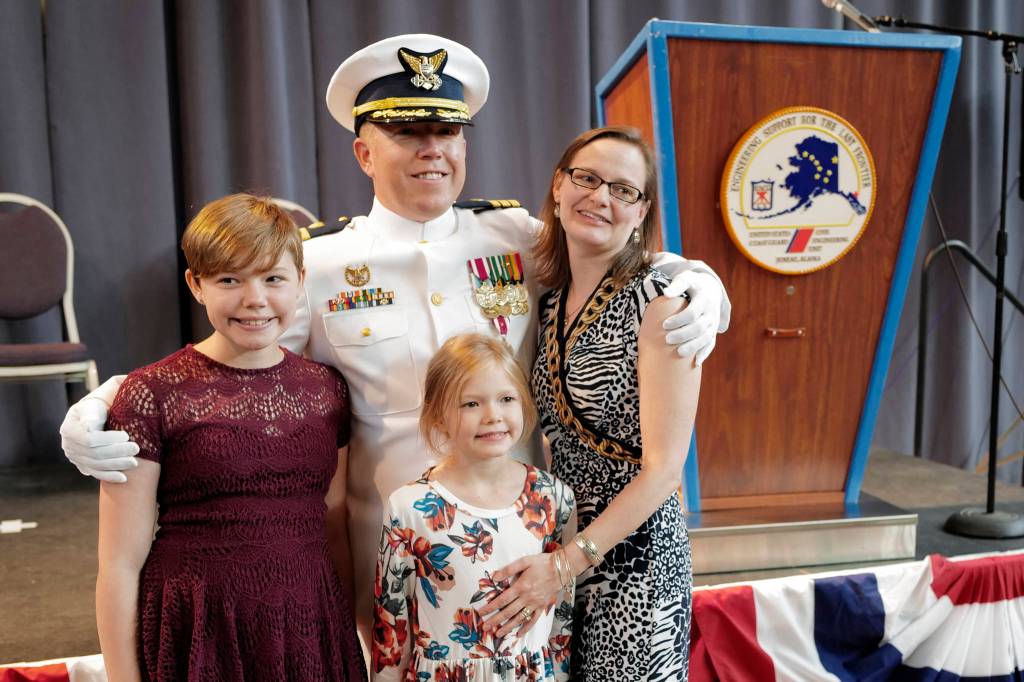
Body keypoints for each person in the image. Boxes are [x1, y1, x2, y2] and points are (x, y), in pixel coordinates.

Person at [63, 34, 729, 638]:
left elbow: (613, 256)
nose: (432, 148)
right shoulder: (316, 264)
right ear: (363, 150)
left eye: (447, 130)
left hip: (521, 548)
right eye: (408, 131)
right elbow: (232, 359)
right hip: (393, 556)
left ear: (465, 144)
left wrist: (700, 279)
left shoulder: (514, 237)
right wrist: (111, 397)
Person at [95, 194, 365, 681]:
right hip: (200, 625)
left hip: (307, 620)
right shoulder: (151, 393)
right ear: (196, 285)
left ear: (301, 282)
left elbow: (336, 524)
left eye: (273, 278)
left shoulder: (327, 390)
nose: (255, 299)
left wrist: (346, 641)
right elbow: (118, 564)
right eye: (229, 280)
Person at [476, 127, 702, 680]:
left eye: (623, 190)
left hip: (634, 558)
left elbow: (665, 468)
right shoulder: (549, 300)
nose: (600, 197)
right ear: (558, 186)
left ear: (642, 210)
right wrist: (560, 557)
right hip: (561, 543)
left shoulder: (663, 303)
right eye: (587, 178)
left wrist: (568, 562)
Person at [372, 333, 574, 681]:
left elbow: (563, 621)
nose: (493, 415)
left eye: (506, 398)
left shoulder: (553, 498)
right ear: (438, 417)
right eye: (471, 404)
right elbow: (392, 628)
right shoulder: (409, 508)